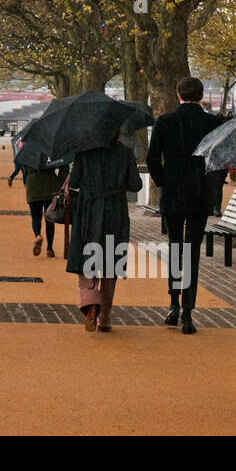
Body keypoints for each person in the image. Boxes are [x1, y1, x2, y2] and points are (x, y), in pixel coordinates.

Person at [146, 75, 222, 334]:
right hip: (200, 194)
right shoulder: (212, 122)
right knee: (192, 252)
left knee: (175, 248)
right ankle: (189, 312)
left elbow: (152, 158)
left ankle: (173, 304)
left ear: (178, 94)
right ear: (200, 96)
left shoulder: (165, 122)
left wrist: (163, 182)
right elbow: (220, 159)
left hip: (174, 193)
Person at [66, 134, 142, 331]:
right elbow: (136, 185)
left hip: (89, 211)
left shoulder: (84, 152)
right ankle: (105, 318)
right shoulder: (124, 153)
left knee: (87, 260)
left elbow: (74, 181)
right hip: (114, 212)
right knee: (110, 264)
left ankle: (91, 305)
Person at [9, 161, 67, 258]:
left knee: (35, 217)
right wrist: (60, 182)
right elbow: (63, 167)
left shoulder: (29, 152)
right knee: (50, 219)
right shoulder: (52, 150)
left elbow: (25, 170)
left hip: (33, 187)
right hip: (50, 186)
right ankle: (49, 249)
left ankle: (38, 235)